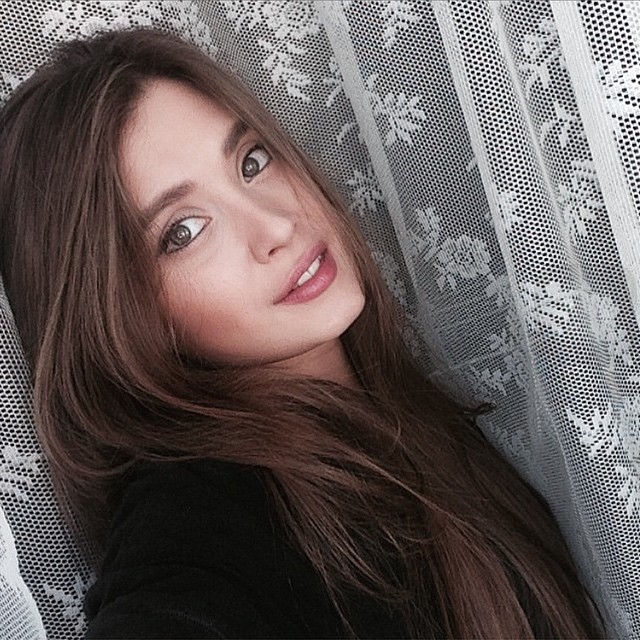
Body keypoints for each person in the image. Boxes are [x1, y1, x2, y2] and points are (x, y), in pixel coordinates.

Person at [0, 26, 605, 639]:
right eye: (184, 230)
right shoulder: (200, 514)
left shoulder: (411, 416)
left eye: (252, 161)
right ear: (114, 317)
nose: (276, 226)